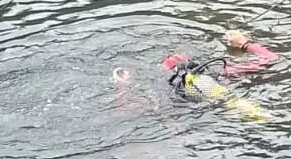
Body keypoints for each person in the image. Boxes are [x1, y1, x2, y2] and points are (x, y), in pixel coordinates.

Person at [112, 29, 278, 121]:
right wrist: (244, 43)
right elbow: (271, 59)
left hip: (191, 116)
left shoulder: (162, 89)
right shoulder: (220, 72)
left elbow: (133, 110)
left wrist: (122, 87)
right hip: (229, 104)